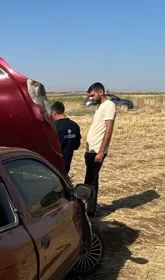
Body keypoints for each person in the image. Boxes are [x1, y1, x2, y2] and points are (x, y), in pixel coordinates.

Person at [83, 82, 117, 217]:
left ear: (101, 92)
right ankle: (86, 206)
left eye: (92, 95)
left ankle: (91, 211)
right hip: (91, 150)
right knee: (89, 178)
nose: (91, 98)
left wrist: (101, 151)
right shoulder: (101, 107)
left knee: (92, 180)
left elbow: (109, 130)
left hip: (97, 150)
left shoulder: (109, 106)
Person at [50, 101, 81, 175]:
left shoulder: (53, 127)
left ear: (53, 113)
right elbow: (77, 146)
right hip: (67, 164)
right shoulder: (75, 125)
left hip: (54, 165)